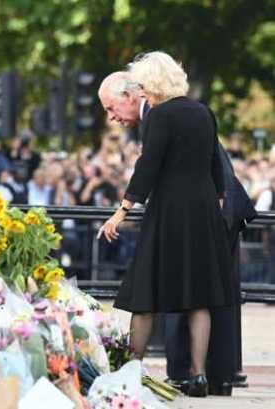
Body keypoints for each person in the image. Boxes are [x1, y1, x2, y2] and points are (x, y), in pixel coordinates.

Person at [98, 68, 256, 395]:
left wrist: (122, 210)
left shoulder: (159, 116)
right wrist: (212, 206)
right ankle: (198, 377)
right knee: (199, 298)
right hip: (204, 212)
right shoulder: (203, 112)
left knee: (145, 294)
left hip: (169, 211)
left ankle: (130, 372)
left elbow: (148, 166)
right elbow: (216, 167)